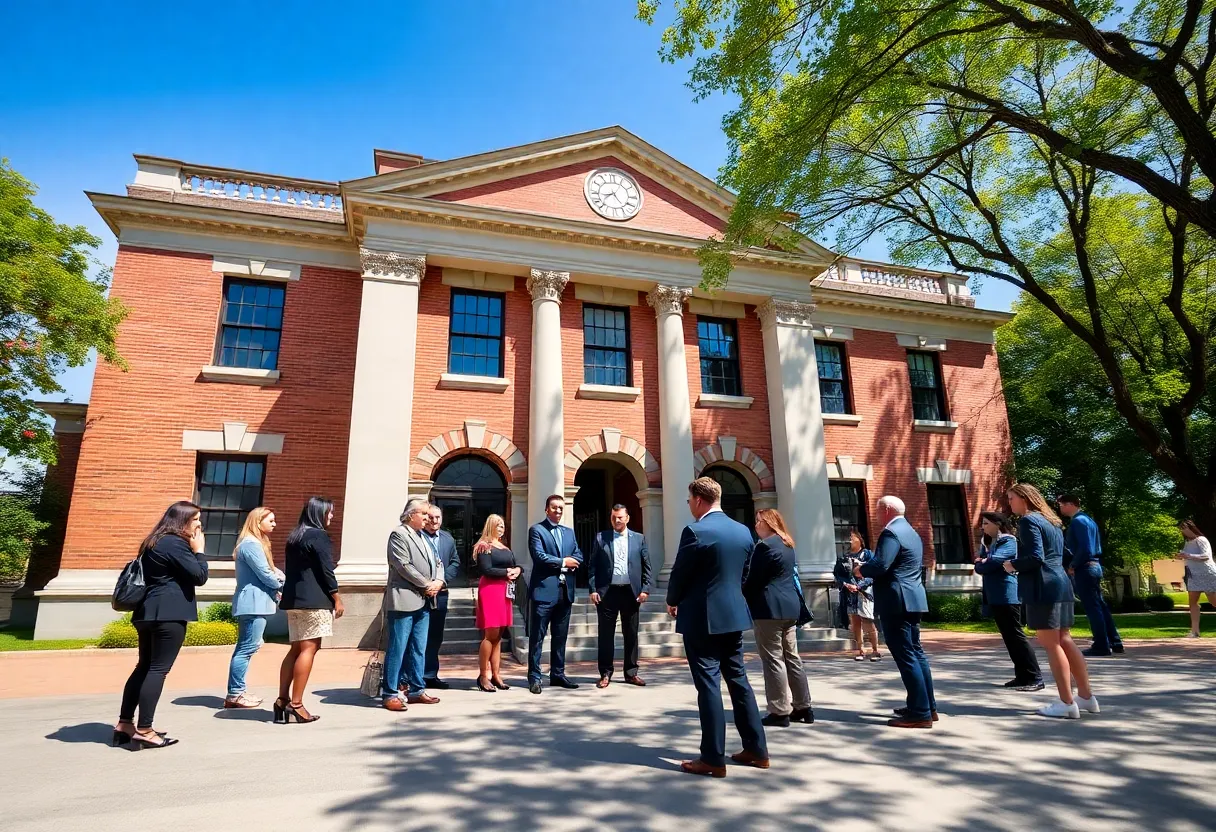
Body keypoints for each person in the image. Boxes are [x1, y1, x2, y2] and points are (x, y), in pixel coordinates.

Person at [666, 477, 768, 778]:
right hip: (733, 615)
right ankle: (756, 749)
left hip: (702, 617)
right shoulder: (743, 531)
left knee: (708, 683)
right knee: (738, 679)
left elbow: (680, 573)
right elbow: (746, 574)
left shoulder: (696, 531)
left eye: (689, 501)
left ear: (699, 500)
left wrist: (673, 600)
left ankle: (712, 757)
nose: (689, 506)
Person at [114, 500, 209, 749]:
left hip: (147, 612)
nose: (200, 524)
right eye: (196, 519)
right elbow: (199, 577)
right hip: (168, 613)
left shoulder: (153, 541)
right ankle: (145, 730)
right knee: (158, 670)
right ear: (183, 521)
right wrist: (199, 550)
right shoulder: (175, 543)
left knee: (144, 667)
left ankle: (125, 724)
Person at [1004, 483, 1098, 719]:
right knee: (1064, 639)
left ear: (1025, 499)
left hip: (1042, 585)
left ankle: (1066, 702)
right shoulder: (1053, 521)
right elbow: (1063, 555)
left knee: (1051, 643)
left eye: (1012, 498)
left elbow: (1036, 557)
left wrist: (1013, 564)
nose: (1010, 503)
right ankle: (1086, 697)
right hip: (1061, 582)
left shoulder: (1027, 521)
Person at [859, 496, 937, 729]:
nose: (875, 514)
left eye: (877, 509)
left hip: (897, 601)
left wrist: (861, 569)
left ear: (887, 510)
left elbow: (882, 565)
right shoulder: (911, 532)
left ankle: (920, 712)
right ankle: (926, 706)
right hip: (913, 598)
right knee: (916, 653)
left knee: (906, 655)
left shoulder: (891, 533)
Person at [743, 508, 814, 727]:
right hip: (790, 607)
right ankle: (803, 706)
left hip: (768, 609)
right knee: (792, 656)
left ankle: (779, 710)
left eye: (758, 521)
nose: (755, 525)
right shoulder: (788, 544)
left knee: (773, 658)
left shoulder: (764, 547)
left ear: (768, 523)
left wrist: (740, 591)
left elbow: (753, 580)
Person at [277, 496, 344, 724]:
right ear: (318, 514)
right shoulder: (318, 535)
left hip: (294, 600)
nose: (331, 516)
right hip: (314, 601)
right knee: (309, 649)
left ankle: (282, 701)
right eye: (329, 512)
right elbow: (326, 569)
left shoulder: (294, 536)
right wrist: (337, 597)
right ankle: (296, 704)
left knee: (295, 649)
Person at [381, 499, 445, 711]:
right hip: (403, 601)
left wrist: (439, 582)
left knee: (419, 647)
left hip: (424, 602)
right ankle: (390, 693)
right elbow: (403, 565)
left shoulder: (424, 537)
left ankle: (417, 689)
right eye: (424, 514)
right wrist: (427, 584)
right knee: (397, 648)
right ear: (411, 515)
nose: (428, 518)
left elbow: (438, 563)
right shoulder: (399, 535)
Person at [972, 512, 1043, 691]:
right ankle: (1022, 675)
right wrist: (983, 563)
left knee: (1016, 636)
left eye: (986, 523)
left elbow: (994, 562)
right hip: (994, 595)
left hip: (1007, 595)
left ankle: (1034, 677)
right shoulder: (987, 543)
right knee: (1009, 638)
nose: (983, 527)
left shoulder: (1009, 540)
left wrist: (984, 562)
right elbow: (980, 566)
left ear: (998, 524)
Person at [588, 504, 653, 688]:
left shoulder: (639, 539)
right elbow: (592, 566)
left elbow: (647, 567)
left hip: (631, 593)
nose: (617, 520)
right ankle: (605, 673)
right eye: (614, 517)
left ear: (627, 518)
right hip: (607, 593)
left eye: (620, 517)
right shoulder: (601, 538)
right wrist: (593, 589)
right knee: (606, 635)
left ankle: (631, 673)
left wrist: (645, 589)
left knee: (631, 634)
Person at [225, 507, 284, 708]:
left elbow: (269, 570)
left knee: (248, 647)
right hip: (253, 603)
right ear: (258, 522)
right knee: (246, 648)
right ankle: (235, 694)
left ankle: (237, 692)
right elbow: (266, 574)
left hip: (256, 602)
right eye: (271, 520)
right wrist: (282, 582)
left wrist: (278, 577)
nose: (274, 524)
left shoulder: (254, 544)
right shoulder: (250, 545)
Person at [526, 494, 584, 695]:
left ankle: (558, 674)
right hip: (544, 591)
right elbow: (539, 556)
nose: (558, 511)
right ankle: (534, 677)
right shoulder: (537, 530)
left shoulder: (569, 533)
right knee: (537, 637)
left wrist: (571, 561)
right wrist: (563, 562)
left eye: (561, 508)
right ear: (546, 509)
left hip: (565, 592)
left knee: (560, 637)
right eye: (554, 507)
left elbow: (578, 555)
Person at [1058, 494, 1124, 657]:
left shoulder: (1078, 521)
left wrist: (1073, 565)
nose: (1060, 509)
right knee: (1099, 605)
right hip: (1093, 566)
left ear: (1070, 504)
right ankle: (1114, 641)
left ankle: (1101, 644)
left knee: (1092, 607)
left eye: (1061, 505)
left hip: (1085, 567)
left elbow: (1085, 548)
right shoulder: (1088, 520)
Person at [472, 514, 521, 692]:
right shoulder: (485, 546)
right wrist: (508, 571)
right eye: (498, 525)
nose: (501, 528)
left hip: (504, 591)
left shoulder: (504, 547)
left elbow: (513, 565)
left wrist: (518, 569)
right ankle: (483, 676)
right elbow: (487, 569)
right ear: (490, 526)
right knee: (490, 634)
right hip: (491, 590)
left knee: (499, 635)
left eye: (503, 525)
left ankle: (496, 674)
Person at [423, 505, 460, 690]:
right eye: (431, 517)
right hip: (421, 593)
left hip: (441, 593)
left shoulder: (447, 538)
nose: (434, 520)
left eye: (438, 517)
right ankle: (411, 676)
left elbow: (455, 562)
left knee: (435, 637)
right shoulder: (417, 536)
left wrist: (442, 581)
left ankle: (430, 675)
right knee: (418, 636)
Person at [840, 528, 881, 662]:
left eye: (852, 537)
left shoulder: (868, 555)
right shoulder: (845, 557)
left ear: (860, 539)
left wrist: (860, 585)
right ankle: (860, 650)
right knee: (855, 622)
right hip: (850, 594)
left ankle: (875, 650)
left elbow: (873, 573)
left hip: (864, 593)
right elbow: (838, 575)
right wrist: (846, 584)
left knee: (867, 621)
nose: (850, 540)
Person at [1175, 520, 1216, 638]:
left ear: (1191, 527)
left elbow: (1206, 556)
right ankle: (1195, 631)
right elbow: (1188, 556)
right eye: (1181, 529)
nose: (1183, 531)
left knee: (1213, 601)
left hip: (1207, 573)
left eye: (1184, 528)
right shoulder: (1187, 543)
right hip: (1194, 575)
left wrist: (1188, 556)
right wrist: (1182, 556)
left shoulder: (1201, 540)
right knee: (1192, 602)